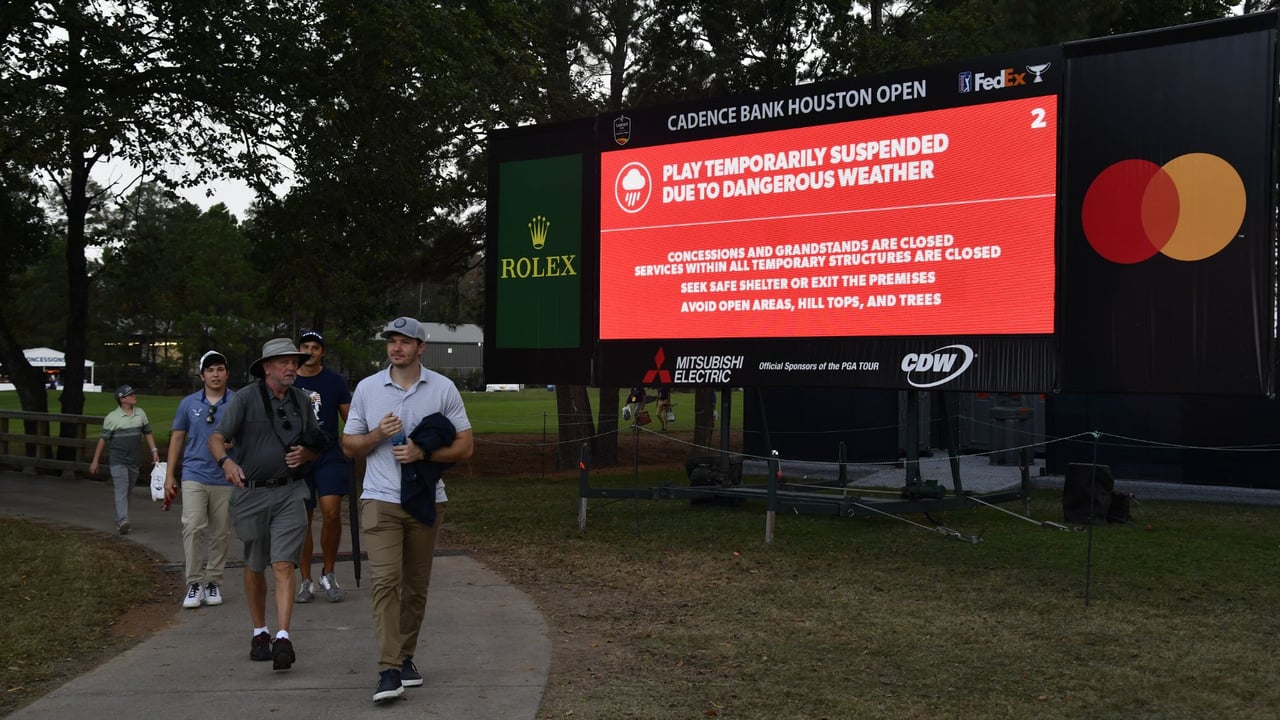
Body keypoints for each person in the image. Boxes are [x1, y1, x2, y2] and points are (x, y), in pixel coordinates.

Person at [342, 316, 473, 703]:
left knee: (416, 588)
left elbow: (466, 447)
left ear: (421, 347)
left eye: (405, 341)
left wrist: (422, 452)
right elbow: (349, 446)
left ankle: (406, 658)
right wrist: (377, 435)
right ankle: (388, 670)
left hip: (426, 499)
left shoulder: (444, 388)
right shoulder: (367, 388)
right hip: (379, 499)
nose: (396, 347)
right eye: (391, 341)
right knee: (385, 583)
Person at [208, 338, 326, 671]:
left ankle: (284, 636)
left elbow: (318, 442)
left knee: (283, 564)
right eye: (285, 362)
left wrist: (308, 453)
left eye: (295, 362)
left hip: (291, 491)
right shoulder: (245, 399)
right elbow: (217, 438)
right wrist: (226, 464)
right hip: (251, 493)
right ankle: (260, 630)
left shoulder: (301, 401)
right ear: (266, 367)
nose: (293, 367)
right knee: (255, 563)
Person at [165, 351, 235, 609]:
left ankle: (213, 581)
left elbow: (247, 435)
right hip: (194, 473)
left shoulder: (237, 402)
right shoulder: (188, 404)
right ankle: (194, 582)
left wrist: (231, 443)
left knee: (221, 532)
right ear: (201, 375)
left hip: (225, 476)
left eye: (219, 369)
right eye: (210, 370)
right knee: (193, 526)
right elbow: (177, 438)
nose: (215, 374)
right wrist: (170, 474)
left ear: (227, 373)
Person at [293, 329, 351, 604]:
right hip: (298, 457)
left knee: (331, 513)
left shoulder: (334, 381)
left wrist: (355, 445)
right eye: (305, 347)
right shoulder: (289, 379)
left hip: (328, 454)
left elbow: (349, 419)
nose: (310, 352)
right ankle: (305, 579)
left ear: (322, 352)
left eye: (315, 347)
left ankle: (328, 572)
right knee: (302, 519)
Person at [89, 384, 159, 535]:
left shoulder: (140, 413)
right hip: (118, 459)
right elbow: (103, 440)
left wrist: (154, 450)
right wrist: (95, 460)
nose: (134, 396)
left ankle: (121, 518)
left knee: (127, 490)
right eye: (130, 395)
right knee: (121, 488)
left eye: (134, 393)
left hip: (134, 459)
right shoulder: (112, 417)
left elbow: (147, 432)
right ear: (122, 399)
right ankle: (123, 519)